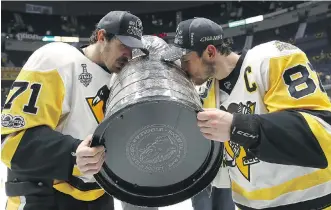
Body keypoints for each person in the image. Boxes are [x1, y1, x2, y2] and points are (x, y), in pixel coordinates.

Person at [162, 17, 331, 210]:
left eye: (185, 61)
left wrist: (238, 127)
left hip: (312, 201)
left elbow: (322, 135)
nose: (183, 69)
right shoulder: (205, 93)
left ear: (210, 52)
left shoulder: (272, 59)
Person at [1, 11, 145, 210]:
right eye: (124, 45)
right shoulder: (57, 60)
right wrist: (72, 152)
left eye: (133, 49)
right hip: (46, 196)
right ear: (102, 37)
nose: (128, 55)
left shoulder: (121, 79)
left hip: (99, 194)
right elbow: (11, 142)